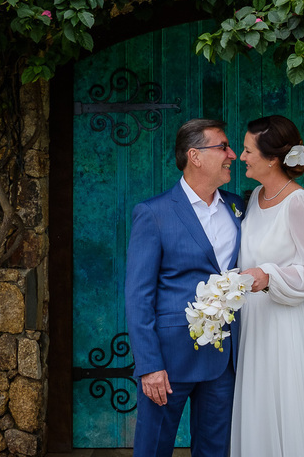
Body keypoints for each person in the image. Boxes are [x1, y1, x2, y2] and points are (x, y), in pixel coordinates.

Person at [125, 118, 246, 457]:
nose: (232, 154)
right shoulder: (153, 213)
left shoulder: (238, 207)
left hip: (224, 358)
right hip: (169, 360)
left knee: (215, 450)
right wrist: (149, 365)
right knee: (154, 449)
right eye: (222, 146)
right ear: (195, 155)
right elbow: (138, 296)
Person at [231, 115, 304, 457]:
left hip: (284, 326)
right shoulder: (256, 198)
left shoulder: (298, 202)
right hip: (255, 325)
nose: (241, 156)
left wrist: (270, 276)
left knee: (287, 409)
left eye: (248, 150)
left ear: (272, 158)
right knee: (259, 408)